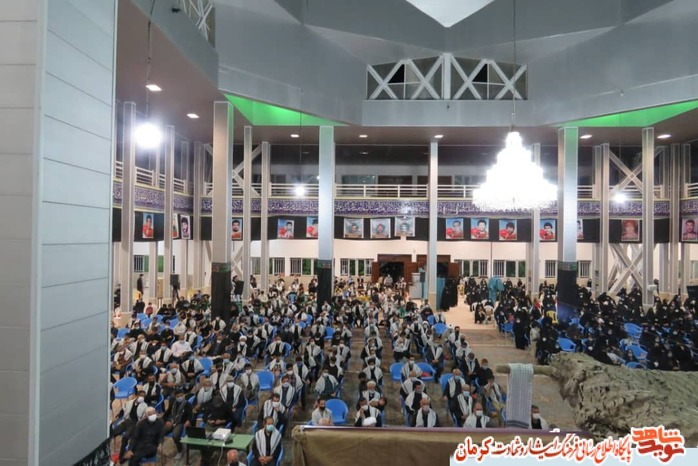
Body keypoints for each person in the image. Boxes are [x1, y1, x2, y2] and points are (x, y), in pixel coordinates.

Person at [163, 388, 193, 460]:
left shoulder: (187, 404)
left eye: (181, 396)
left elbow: (191, 415)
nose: (180, 397)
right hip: (172, 420)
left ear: (184, 395)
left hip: (181, 422)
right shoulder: (173, 403)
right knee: (162, 431)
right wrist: (166, 421)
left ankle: (180, 450)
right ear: (175, 397)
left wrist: (188, 421)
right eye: (178, 396)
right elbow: (167, 413)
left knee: (176, 435)